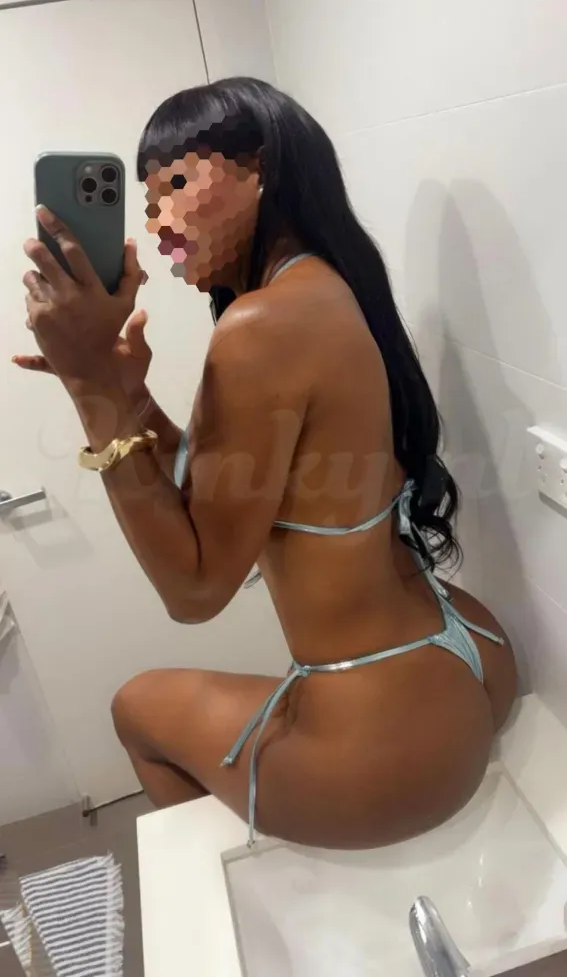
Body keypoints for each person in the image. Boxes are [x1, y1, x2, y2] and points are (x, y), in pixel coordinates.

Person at [15, 77, 517, 850]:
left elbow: (194, 589)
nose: (155, 224)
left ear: (258, 170)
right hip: (465, 648)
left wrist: (90, 390)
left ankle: (259, 882)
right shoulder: (325, 286)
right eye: (145, 202)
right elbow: (219, 487)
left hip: (387, 733)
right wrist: (126, 393)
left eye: (173, 186)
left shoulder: (259, 325)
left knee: (135, 708)